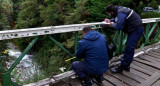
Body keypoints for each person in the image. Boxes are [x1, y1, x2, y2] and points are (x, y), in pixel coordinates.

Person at [105, 5, 144, 73]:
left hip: (136, 30)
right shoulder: (119, 10)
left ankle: (122, 67)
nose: (109, 15)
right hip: (135, 29)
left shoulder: (120, 13)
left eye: (109, 13)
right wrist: (110, 20)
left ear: (111, 12)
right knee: (129, 48)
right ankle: (126, 65)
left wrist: (111, 24)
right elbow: (117, 19)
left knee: (129, 48)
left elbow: (119, 26)